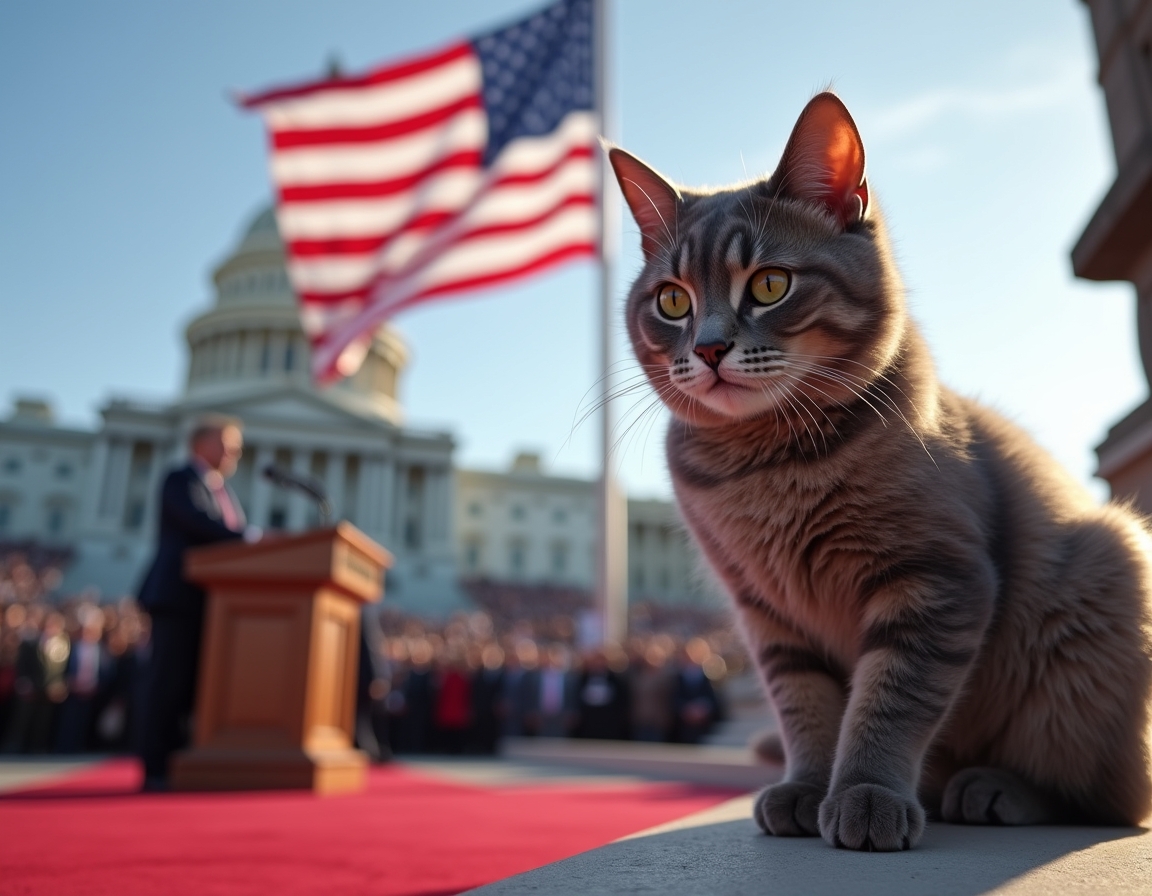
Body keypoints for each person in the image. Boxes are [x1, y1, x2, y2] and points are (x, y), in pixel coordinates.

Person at [136, 415, 256, 790]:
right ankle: (156, 765)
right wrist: (253, 538)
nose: (235, 452)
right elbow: (197, 524)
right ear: (200, 444)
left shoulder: (223, 491)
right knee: (167, 681)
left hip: (212, 602)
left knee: (194, 686)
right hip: (177, 595)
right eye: (227, 443)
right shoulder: (180, 479)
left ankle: (185, 757)